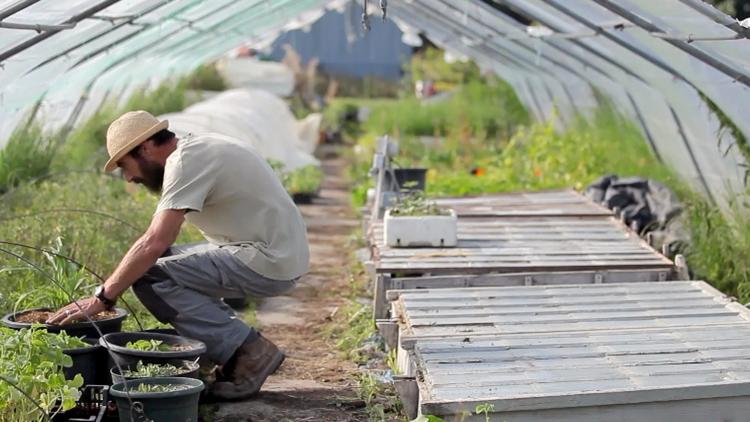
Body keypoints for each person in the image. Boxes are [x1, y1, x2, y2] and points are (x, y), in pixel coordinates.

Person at [47, 110, 310, 400]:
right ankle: (226, 348)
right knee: (157, 264)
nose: (130, 177)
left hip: (268, 260)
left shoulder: (185, 161)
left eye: (126, 165)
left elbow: (155, 241)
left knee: (150, 275)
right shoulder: (195, 149)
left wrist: (102, 298)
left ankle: (248, 352)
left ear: (145, 147)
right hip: (270, 252)